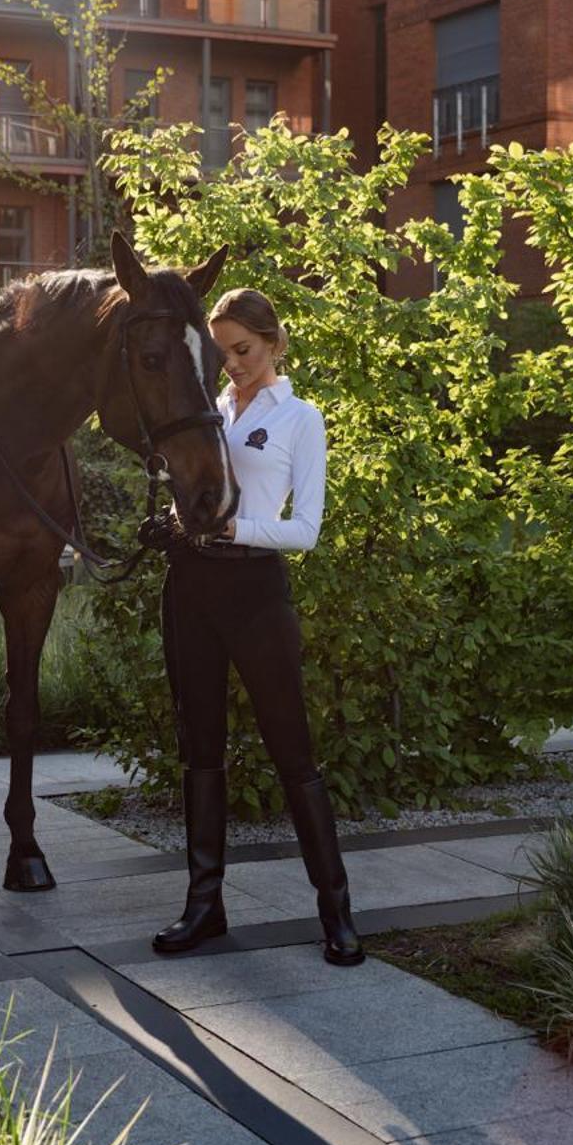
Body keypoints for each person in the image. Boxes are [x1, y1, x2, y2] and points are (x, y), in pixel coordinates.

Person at [150, 287, 362, 966]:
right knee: (201, 749)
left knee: (293, 752)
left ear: (273, 342)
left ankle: (337, 913)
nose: (232, 364)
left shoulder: (301, 418)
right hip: (193, 586)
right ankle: (204, 907)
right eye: (223, 353)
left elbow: (307, 529)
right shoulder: (208, 413)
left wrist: (237, 526)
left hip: (255, 588)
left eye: (242, 350)